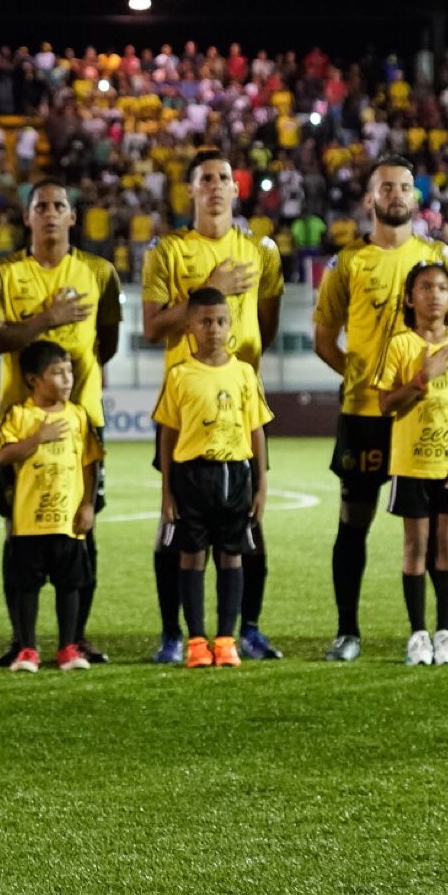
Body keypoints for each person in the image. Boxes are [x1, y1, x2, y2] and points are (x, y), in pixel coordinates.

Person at [315, 157, 448, 663]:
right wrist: (362, 379)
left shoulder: (438, 257)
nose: (397, 194)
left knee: (438, 525)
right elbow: (323, 339)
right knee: (353, 521)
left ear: (416, 197)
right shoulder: (349, 262)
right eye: (386, 187)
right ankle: (347, 630)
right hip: (366, 413)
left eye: (405, 186)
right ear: (369, 198)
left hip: (427, 417)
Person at [141, 149, 284, 663]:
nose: (217, 186)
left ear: (236, 188)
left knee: (248, 524)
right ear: (192, 190)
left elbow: (264, 324)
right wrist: (211, 290)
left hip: (237, 412)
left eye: (225, 177)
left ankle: (247, 628)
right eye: (207, 179)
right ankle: (173, 634)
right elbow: (153, 327)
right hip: (186, 416)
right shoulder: (168, 251)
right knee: (173, 526)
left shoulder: (261, 250)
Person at [0, 180, 122, 663]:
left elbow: (109, 339)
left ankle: (73, 639)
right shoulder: (2, 274)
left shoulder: (99, 272)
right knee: (17, 532)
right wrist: (47, 318)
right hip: (19, 429)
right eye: (41, 207)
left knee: (83, 527)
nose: (51, 214)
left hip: (84, 422)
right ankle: (24, 642)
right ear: (27, 217)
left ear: (72, 217)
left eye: (60, 205)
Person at [374, 262, 448, 666]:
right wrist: (422, 379)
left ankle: (445, 633)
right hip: (411, 464)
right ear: (409, 297)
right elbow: (386, 404)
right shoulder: (400, 345)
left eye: (442, 287)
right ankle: (418, 634)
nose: (434, 294)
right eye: (425, 287)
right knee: (415, 546)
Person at [154, 288, 272, 668]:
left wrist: (260, 486)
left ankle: (226, 639)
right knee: (191, 557)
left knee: (232, 556)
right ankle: (196, 641)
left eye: (220, 321)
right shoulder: (180, 375)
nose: (213, 329)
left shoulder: (243, 373)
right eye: (205, 321)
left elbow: (256, 431)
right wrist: (167, 490)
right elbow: (168, 434)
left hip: (235, 473)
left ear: (230, 324)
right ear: (190, 325)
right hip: (192, 475)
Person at [0, 340, 100, 672]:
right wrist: (38, 437)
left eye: (69, 371)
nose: (67, 379)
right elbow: (3, 455)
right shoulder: (20, 415)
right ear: (32, 380)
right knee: (27, 586)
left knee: (70, 584)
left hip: (67, 520)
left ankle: (68, 646)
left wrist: (87, 505)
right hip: (29, 520)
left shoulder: (79, 415)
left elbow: (89, 463)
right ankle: (27, 648)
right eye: (57, 373)